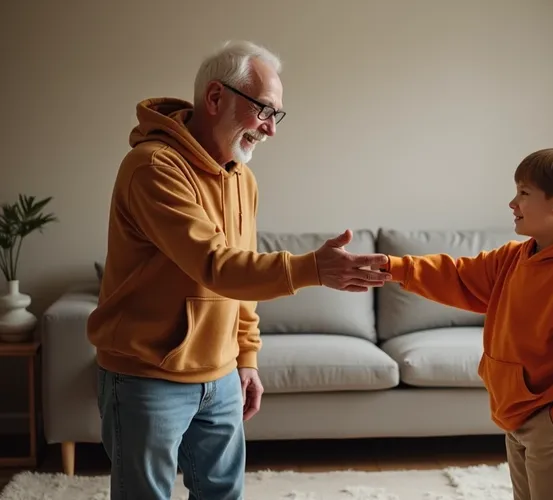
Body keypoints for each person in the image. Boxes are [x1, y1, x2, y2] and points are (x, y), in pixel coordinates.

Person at [87, 40, 391, 500]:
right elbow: (216, 266)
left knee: (223, 494)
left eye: (277, 115)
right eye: (265, 111)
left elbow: (241, 281)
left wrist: (245, 357)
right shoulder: (152, 168)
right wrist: (312, 268)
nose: (271, 129)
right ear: (215, 98)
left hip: (221, 375)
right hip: (146, 375)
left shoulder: (241, 176)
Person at [376, 148, 553, 500]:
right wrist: (394, 267)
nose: (512, 202)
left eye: (523, 193)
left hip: (552, 421)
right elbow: (457, 275)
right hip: (516, 412)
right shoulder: (513, 258)